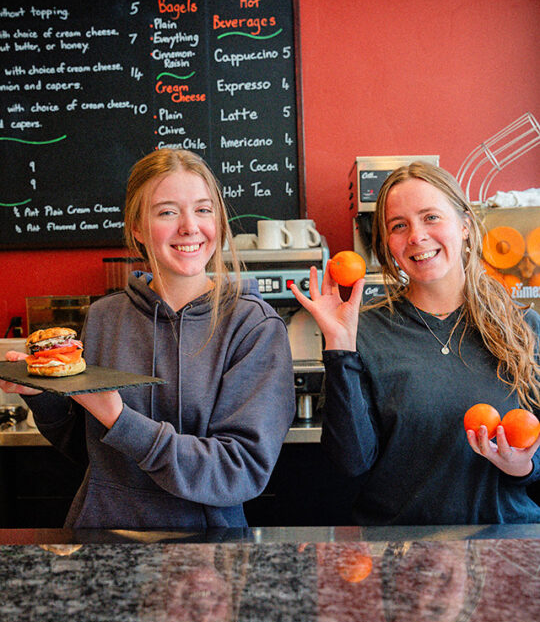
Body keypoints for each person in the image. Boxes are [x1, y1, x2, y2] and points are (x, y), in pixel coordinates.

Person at [1, 148, 295, 528]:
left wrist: (121, 419)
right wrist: (42, 396)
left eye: (203, 210)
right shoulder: (105, 315)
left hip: (204, 554)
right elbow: (85, 446)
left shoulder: (254, 326)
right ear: (137, 228)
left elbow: (238, 471)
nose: (190, 227)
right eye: (168, 212)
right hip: (102, 535)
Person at [291, 161, 540, 525]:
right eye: (399, 226)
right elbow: (351, 462)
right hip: (400, 551)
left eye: (431, 217)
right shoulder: (366, 331)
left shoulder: (524, 327)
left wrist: (523, 465)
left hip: (502, 541)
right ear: (388, 244)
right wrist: (339, 346)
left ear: (466, 225)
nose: (416, 236)